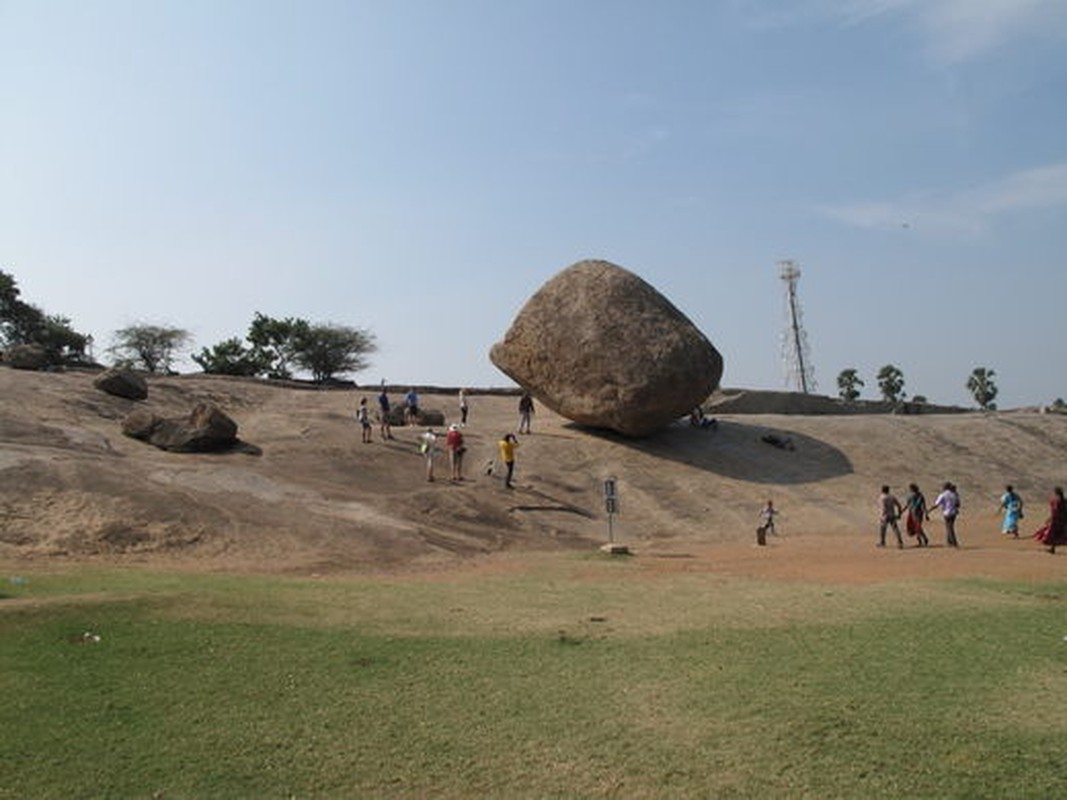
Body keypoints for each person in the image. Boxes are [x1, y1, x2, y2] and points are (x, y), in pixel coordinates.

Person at [1032, 486, 1066, 554]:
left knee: (1053, 534)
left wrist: (1051, 518)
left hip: (1056, 520)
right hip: (1063, 519)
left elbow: (1055, 511)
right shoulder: (1064, 501)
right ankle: (1052, 548)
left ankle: (1052, 548)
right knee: (1061, 534)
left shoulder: (1055, 501)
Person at [931, 481, 961, 548]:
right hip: (954, 513)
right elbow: (958, 504)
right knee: (950, 527)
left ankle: (954, 542)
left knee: (949, 528)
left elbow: (936, 504)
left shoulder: (943, 495)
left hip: (947, 513)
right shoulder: (954, 494)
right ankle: (949, 542)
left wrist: (929, 510)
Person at [902, 483, 930, 547]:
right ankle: (922, 540)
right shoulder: (920, 495)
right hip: (918, 513)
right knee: (917, 527)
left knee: (917, 527)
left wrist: (902, 511)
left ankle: (923, 539)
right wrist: (926, 514)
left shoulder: (910, 496)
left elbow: (907, 505)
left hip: (913, 513)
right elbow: (923, 506)